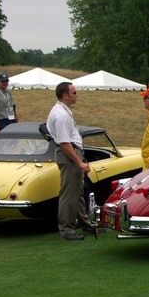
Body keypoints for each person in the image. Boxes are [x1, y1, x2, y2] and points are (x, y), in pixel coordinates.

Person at [46, 82, 94, 241]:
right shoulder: (61, 116)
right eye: (74, 93)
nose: (76, 95)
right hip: (69, 155)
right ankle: (66, 229)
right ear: (65, 95)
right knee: (69, 194)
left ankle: (85, 223)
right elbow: (65, 143)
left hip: (71, 153)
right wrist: (80, 162)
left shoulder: (63, 112)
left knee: (77, 192)